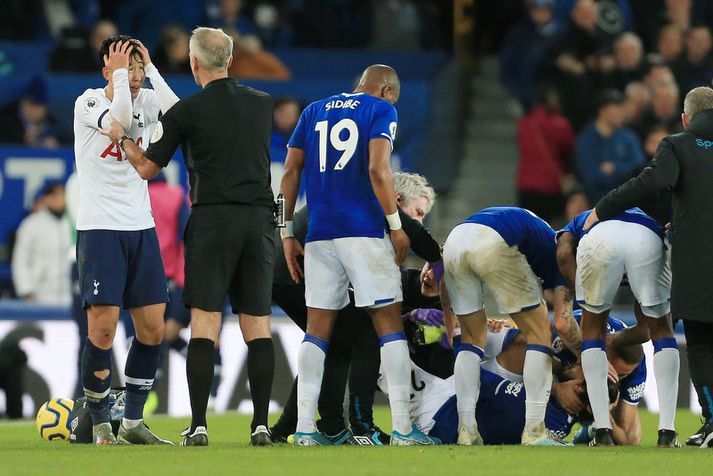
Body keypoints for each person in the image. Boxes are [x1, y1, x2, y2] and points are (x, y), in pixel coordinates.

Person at [99, 27, 276, 447]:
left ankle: (198, 425)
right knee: (258, 328)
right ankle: (261, 426)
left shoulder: (186, 113)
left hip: (213, 222)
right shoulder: (262, 104)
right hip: (258, 222)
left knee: (205, 324)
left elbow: (145, 167)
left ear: (193, 63)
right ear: (230, 60)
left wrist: (121, 137)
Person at [279, 64, 440, 446]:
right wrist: (396, 226)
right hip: (364, 232)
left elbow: (289, 172)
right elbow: (378, 169)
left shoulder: (313, 110)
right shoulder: (381, 110)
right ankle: (403, 429)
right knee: (388, 324)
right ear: (385, 90)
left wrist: (285, 232)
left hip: (319, 234)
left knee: (317, 331)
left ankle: (304, 429)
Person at [584, 86, 713, 448]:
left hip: (700, 261)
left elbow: (654, 181)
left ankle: (712, 422)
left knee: (702, 341)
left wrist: (602, 209)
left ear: (686, 118)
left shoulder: (679, 144)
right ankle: (679, 428)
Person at [270, 172, 440, 445]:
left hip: (286, 268)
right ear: (396, 198)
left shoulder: (354, 196)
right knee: (365, 332)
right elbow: (416, 235)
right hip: (296, 270)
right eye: (417, 212)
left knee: (332, 343)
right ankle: (362, 427)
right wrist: (440, 258)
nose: (418, 219)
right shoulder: (374, 204)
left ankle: (305, 428)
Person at [73, 35, 179, 445]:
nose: (133, 77)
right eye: (124, 69)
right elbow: (116, 125)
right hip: (100, 227)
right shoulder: (88, 102)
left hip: (141, 226)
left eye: (137, 69)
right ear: (107, 72)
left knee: (152, 329)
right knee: (102, 332)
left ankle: (132, 423)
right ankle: (101, 423)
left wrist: (152, 71)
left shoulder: (149, 98)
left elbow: (180, 113)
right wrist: (120, 80)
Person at [442, 206, 579, 446]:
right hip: (494, 241)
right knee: (540, 333)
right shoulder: (564, 260)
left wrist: (447, 315)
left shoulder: (541, 231)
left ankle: (467, 429)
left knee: (471, 340)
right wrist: (584, 355)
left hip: (455, 239)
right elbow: (562, 324)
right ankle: (535, 432)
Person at [556, 208, 680, 447]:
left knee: (592, 332)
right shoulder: (650, 214)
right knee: (662, 331)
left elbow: (563, 251)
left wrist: (582, 290)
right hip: (648, 237)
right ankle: (668, 432)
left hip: (599, 239)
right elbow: (646, 329)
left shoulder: (585, 217)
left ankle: (601, 430)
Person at [515, 84, 575, 222]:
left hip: (525, 184)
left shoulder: (524, 122)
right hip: (550, 184)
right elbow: (569, 149)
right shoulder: (559, 124)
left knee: (528, 228)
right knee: (548, 229)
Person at [575, 89, 646, 204]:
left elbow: (639, 167)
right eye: (617, 108)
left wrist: (615, 168)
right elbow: (591, 178)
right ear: (603, 111)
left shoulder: (628, 137)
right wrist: (623, 177)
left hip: (629, 201)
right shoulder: (586, 140)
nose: (622, 113)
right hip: (597, 203)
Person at [11, 183, 71, 305]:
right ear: (46, 198)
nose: (60, 199)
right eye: (54, 195)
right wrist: (26, 291)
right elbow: (20, 261)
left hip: (69, 296)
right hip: (39, 295)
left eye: (62, 195)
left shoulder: (73, 224)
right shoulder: (31, 224)